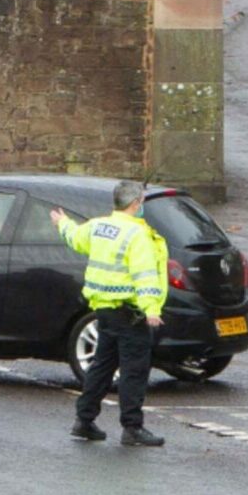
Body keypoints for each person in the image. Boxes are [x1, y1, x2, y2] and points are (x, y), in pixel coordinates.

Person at [52, 181, 168, 447]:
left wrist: (62, 223)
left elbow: (76, 238)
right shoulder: (137, 234)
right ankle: (132, 427)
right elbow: (144, 274)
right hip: (130, 312)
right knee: (134, 370)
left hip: (103, 309)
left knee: (102, 366)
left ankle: (84, 421)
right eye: (142, 202)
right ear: (136, 204)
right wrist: (151, 308)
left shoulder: (98, 225)